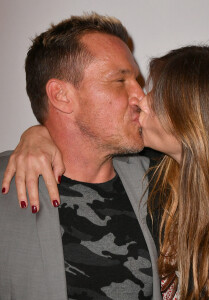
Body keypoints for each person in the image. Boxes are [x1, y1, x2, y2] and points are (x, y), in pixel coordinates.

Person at [4, 45, 209, 300]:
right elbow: (84, 141)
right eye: (121, 81)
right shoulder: (156, 178)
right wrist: (37, 134)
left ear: (198, 124)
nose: (140, 99)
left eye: (158, 96)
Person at [0, 13, 162, 300]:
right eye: (120, 80)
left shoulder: (160, 180)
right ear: (61, 96)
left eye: (136, 80)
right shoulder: (7, 189)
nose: (141, 95)